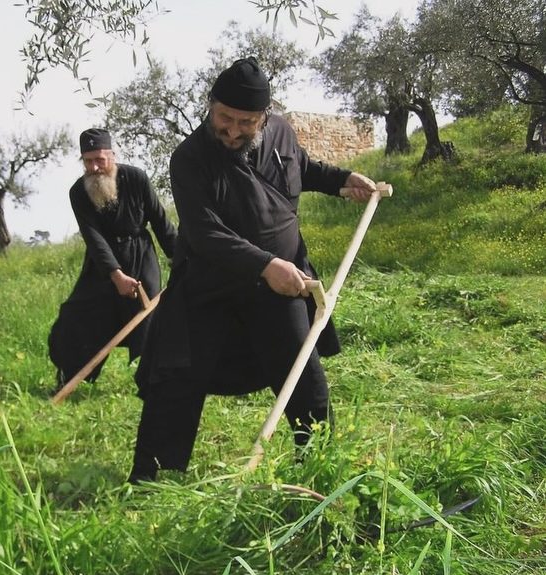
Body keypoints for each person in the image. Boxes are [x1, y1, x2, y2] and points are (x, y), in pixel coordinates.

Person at [128, 57, 379, 483]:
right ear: (211, 106)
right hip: (209, 287)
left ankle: (318, 470)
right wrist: (264, 264)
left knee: (304, 381)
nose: (232, 130)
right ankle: (154, 482)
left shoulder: (281, 131)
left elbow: (300, 167)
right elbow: (205, 232)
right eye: (224, 118)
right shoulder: (189, 158)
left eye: (245, 122)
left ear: (264, 117)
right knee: (175, 382)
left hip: (280, 288)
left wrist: (341, 180)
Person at [48, 128, 178, 393]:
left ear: (112, 156)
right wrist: (116, 275)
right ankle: (68, 379)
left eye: (100, 159)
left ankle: (155, 384)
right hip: (102, 265)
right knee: (76, 317)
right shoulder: (78, 192)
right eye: (88, 161)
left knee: (150, 322)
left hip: (140, 258)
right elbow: (93, 237)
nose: (95, 167)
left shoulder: (136, 178)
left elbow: (160, 221)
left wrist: (181, 258)